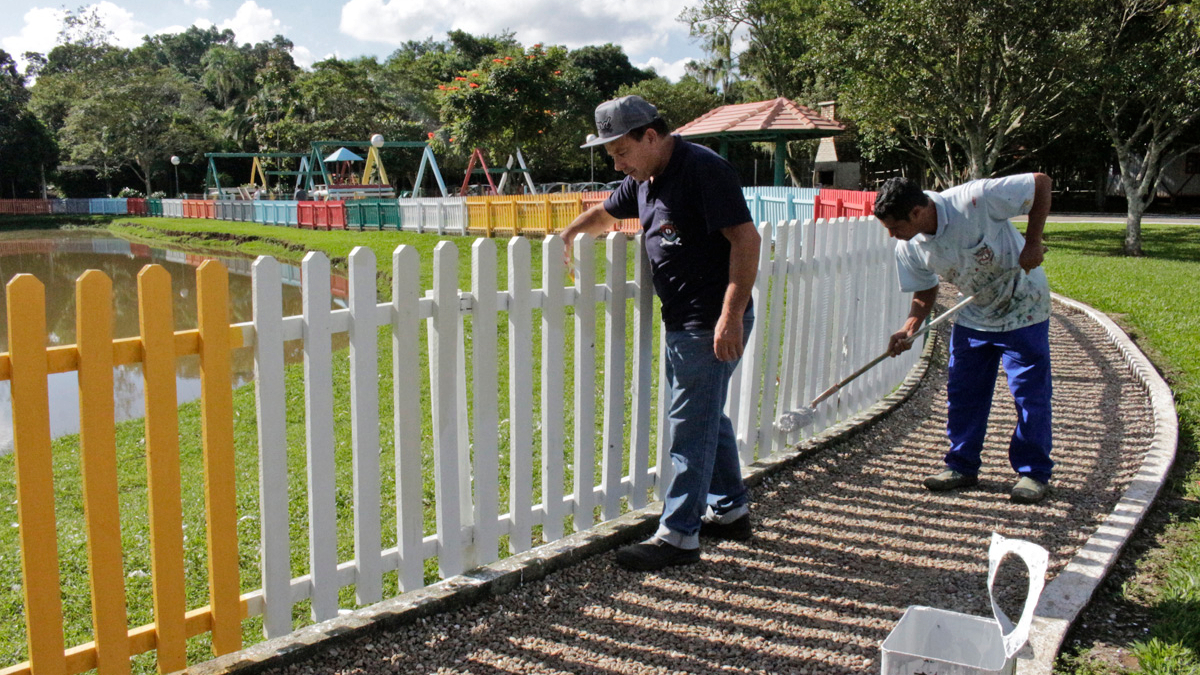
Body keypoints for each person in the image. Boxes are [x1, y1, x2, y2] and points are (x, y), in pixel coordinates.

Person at [559, 95, 761, 571]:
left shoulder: (703, 170)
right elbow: (607, 214)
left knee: (689, 427)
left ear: (650, 135)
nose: (617, 163)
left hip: (709, 322)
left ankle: (679, 535)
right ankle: (730, 509)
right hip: (684, 321)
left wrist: (729, 317)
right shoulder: (646, 179)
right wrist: (569, 234)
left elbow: (746, 240)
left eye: (621, 151)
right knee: (706, 416)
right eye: (610, 155)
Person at [874, 174, 1054, 504]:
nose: (891, 234)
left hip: (1024, 306)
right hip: (974, 315)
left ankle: (1033, 472)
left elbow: (1040, 183)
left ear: (916, 212)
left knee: (1029, 394)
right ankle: (961, 465)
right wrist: (910, 327)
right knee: (963, 393)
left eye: (894, 226)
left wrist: (1032, 242)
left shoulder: (975, 199)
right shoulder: (909, 246)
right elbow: (926, 288)